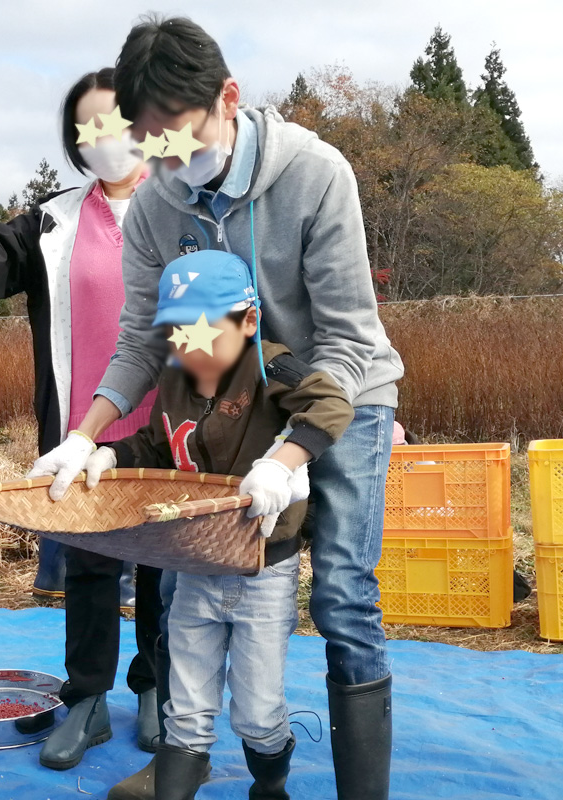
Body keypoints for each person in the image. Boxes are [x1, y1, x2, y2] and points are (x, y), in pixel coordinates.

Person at [31, 18, 405, 799]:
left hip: (339, 395)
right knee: (188, 573)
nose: (165, 155)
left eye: (179, 132)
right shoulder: (160, 204)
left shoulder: (316, 174)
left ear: (228, 98)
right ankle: (183, 750)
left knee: (339, 590)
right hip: (228, 409)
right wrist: (85, 435)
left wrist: (291, 456)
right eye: (149, 138)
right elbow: (141, 342)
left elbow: (345, 342)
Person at [0, 69, 164, 770]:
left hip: (168, 420)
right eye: (89, 127)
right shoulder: (56, 218)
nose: (106, 138)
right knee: (90, 564)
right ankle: (86, 699)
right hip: (83, 424)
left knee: (168, 563)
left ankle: (158, 689)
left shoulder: (184, 207)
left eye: (120, 120)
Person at [95, 250, 353, 799]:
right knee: (185, 708)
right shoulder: (176, 379)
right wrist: (106, 454)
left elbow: (330, 405)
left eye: (209, 332)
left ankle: (270, 784)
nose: (193, 347)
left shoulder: (270, 365)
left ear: (249, 321)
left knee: (257, 713)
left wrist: (280, 464)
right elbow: (161, 441)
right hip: (194, 564)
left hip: (263, 567)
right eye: (179, 334)